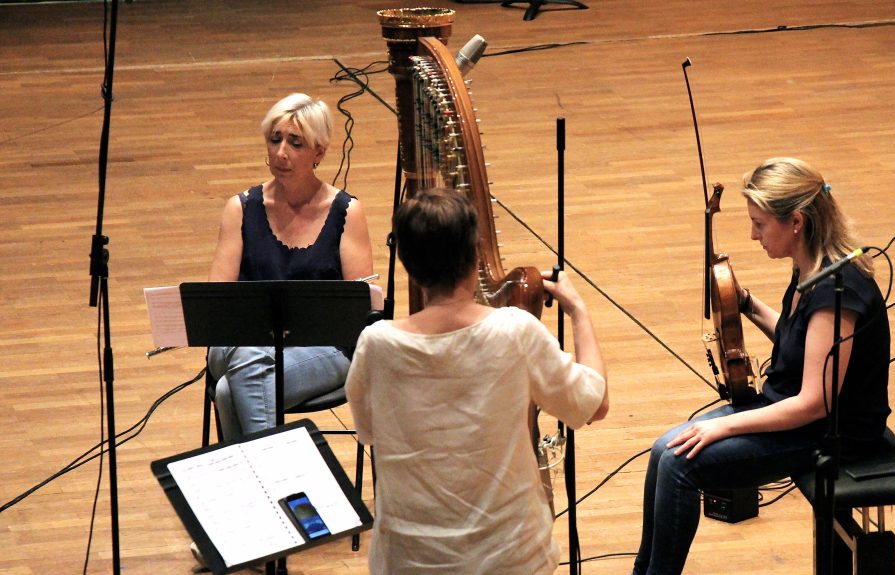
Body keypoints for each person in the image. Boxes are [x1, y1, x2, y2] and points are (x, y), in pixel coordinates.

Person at [631, 157, 890, 574]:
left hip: (825, 433)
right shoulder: (811, 267)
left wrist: (723, 425)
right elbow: (795, 338)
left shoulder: (835, 292)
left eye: (760, 223)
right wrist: (743, 302)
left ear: (797, 223)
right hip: (792, 412)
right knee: (665, 448)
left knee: (680, 464)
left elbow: (814, 404)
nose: (753, 235)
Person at [346, 188, 609, 574]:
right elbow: (594, 405)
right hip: (510, 560)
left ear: (407, 264)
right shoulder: (516, 331)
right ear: (473, 257)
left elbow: (368, 432)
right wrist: (579, 311)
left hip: (409, 563)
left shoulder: (377, 344)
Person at [206, 93, 373, 441]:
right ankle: (281, 476)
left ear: (320, 152)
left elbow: (360, 313)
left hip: (323, 349)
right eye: (275, 139)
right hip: (240, 343)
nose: (281, 152)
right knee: (250, 356)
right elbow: (215, 308)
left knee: (227, 391)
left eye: (295, 143)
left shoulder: (347, 212)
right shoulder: (240, 208)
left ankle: (256, 491)